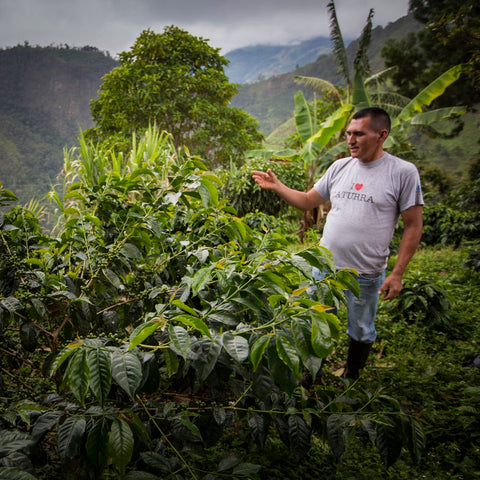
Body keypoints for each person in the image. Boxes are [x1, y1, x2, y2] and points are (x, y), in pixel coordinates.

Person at [252, 107, 423, 380]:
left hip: (365, 274)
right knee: (317, 323)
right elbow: (309, 200)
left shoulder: (402, 172)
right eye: (348, 134)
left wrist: (397, 273)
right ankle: (313, 374)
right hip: (325, 269)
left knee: (361, 328)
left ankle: (352, 376)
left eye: (359, 134)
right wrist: (279, 186)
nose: (351, 140)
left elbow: (413, 225)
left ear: (381, 135)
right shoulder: (340, 167)